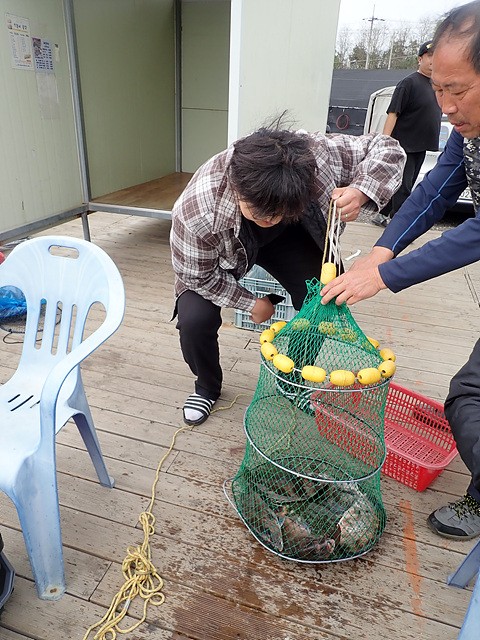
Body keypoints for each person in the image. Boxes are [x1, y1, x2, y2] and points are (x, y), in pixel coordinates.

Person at [321, 0, 480, 540]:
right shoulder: (468, 129)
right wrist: (383, 248)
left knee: (470, 397)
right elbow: (437, 187)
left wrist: (385, 276)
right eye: (438, 89)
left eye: (457, 90)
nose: (446, 107)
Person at [170, 123, 404, 427]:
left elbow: (387, 148)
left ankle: (293, 377)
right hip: (225, 251)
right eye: (259, 211)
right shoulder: (198, 209)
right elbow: (197, 277)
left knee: (323, 296)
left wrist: (362, 190)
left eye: (278, 210)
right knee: (195, 319)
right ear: (236, 187)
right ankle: (206, 386)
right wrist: (251, 303)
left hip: (291, 234)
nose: (270, 218)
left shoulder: (316, 155)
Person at [371, 40, 442, 228]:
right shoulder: (408, 83)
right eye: (429, 56)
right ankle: (399, 226)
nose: (433, 60)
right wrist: (385, 142)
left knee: (403, 184)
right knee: (404, 188)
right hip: (405, 144)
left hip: (422, 145)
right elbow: (393, 113)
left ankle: (382, 214)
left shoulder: (437, 84)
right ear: (420, 59)